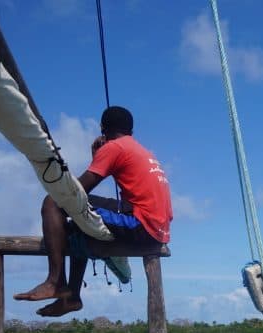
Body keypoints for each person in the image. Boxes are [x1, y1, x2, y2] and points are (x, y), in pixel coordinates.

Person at [14, 106, 173, 317]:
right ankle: (71, 298)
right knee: (75, 226)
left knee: (54, 201)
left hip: (142, 225)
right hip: (157, 225)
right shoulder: (140, 150)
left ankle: (56, 281)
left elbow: (75, 192)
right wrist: (98, 157)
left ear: (102, 129)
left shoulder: (114, 148)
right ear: (131, 131)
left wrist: (98, 156)